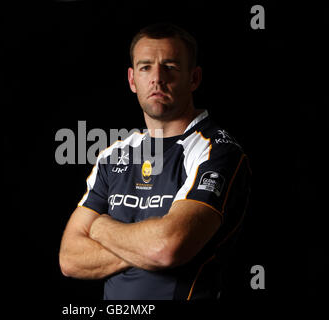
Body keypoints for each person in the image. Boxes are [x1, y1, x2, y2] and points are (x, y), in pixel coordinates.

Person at [59, 22, 251, 300]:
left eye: (170, 66)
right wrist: (144, 245)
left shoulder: (217, 150)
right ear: (132, 80)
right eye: (146, 67)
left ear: (194, 78)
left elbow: (166, 248)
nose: (157, 79)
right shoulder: (114, 155)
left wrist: (100, 227)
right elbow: (70, 258)